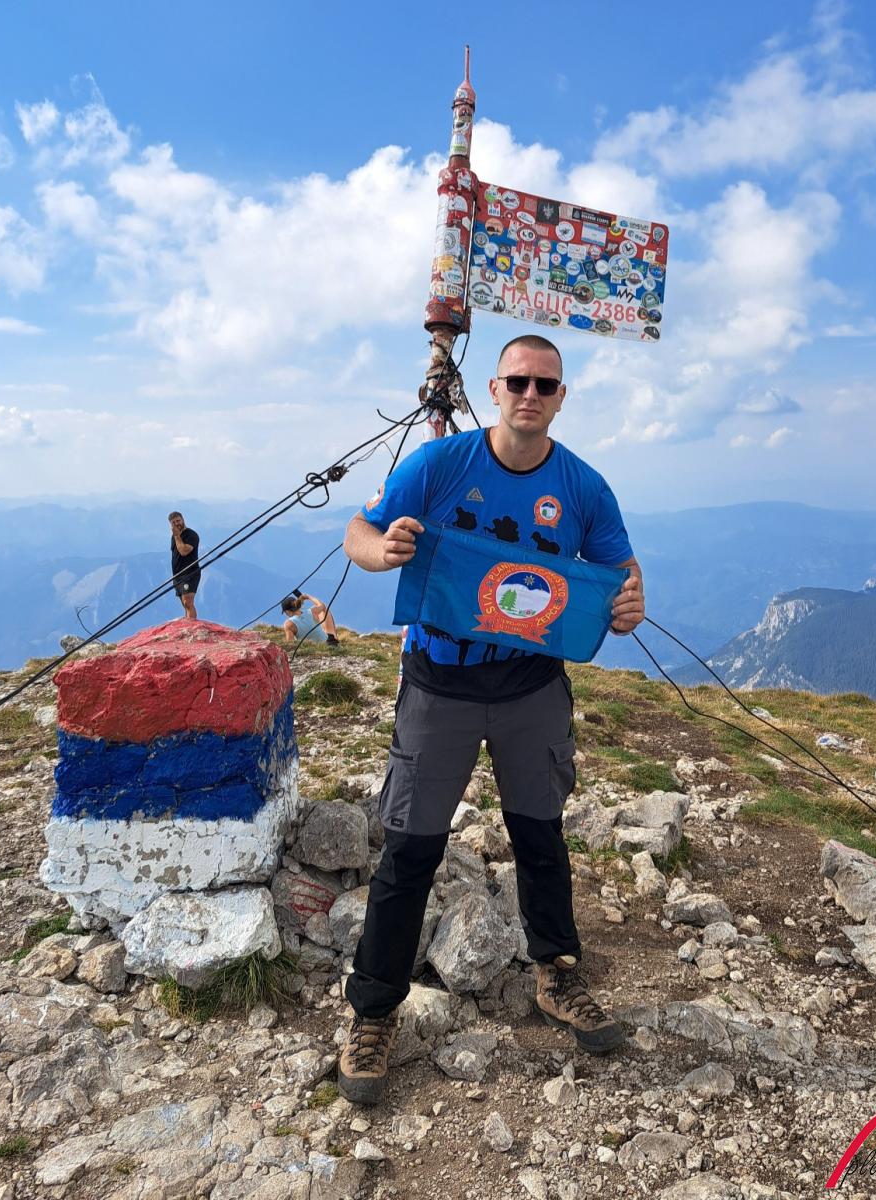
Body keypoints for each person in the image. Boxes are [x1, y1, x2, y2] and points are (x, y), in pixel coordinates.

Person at [336, 333, 645, 1104]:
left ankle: (557, 976)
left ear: (561, 397)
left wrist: (630, 602)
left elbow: (618, 570)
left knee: (539, 836)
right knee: (410, 847)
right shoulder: (439, 464)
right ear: (495, 387)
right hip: (438, 679)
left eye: (545, 384)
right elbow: (358, 532)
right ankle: (373, 1011)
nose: (529, 394)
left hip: (532, 685)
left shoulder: (583, 488)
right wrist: (383, 553)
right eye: (517, 381)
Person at [168, 511, 200, 620]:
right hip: (177, 575)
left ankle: (192, 625)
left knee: (188, 603)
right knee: (184, 604)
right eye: (173, 522)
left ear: (183, 520)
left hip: (190, 573)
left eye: (178, 521)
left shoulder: (191, 535)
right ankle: (188, 621)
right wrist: (176, 536)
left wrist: (177, 536)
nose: (177, 524)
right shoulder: (174, 537)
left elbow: (183, 551)